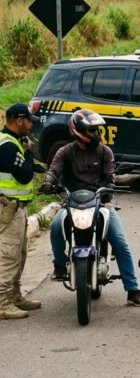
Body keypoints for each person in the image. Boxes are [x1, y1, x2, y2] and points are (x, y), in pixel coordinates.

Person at [40, 110, 140, 307]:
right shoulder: (65, 152)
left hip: (101, 202)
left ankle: (132, 289)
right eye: (92, 131)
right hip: (72, 202)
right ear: (79, 132)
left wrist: (110, 190)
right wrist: (48, 183)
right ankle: (59, 264)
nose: (97, 134)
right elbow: (54, 170)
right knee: (55, 226)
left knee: (121, 243)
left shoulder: (105, 151)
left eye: (97, 130)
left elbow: (110, 176)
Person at [0, 104, 41, 320]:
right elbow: (24, 175)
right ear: (18, 120)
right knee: (8, 256)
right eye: (28, 120)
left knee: (19, 255)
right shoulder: (7, 145)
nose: (31, 123)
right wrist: (29, 153)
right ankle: (2, 303)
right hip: (8, 207)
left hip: (17, 207)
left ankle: (14, 296)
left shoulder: (14, 142)